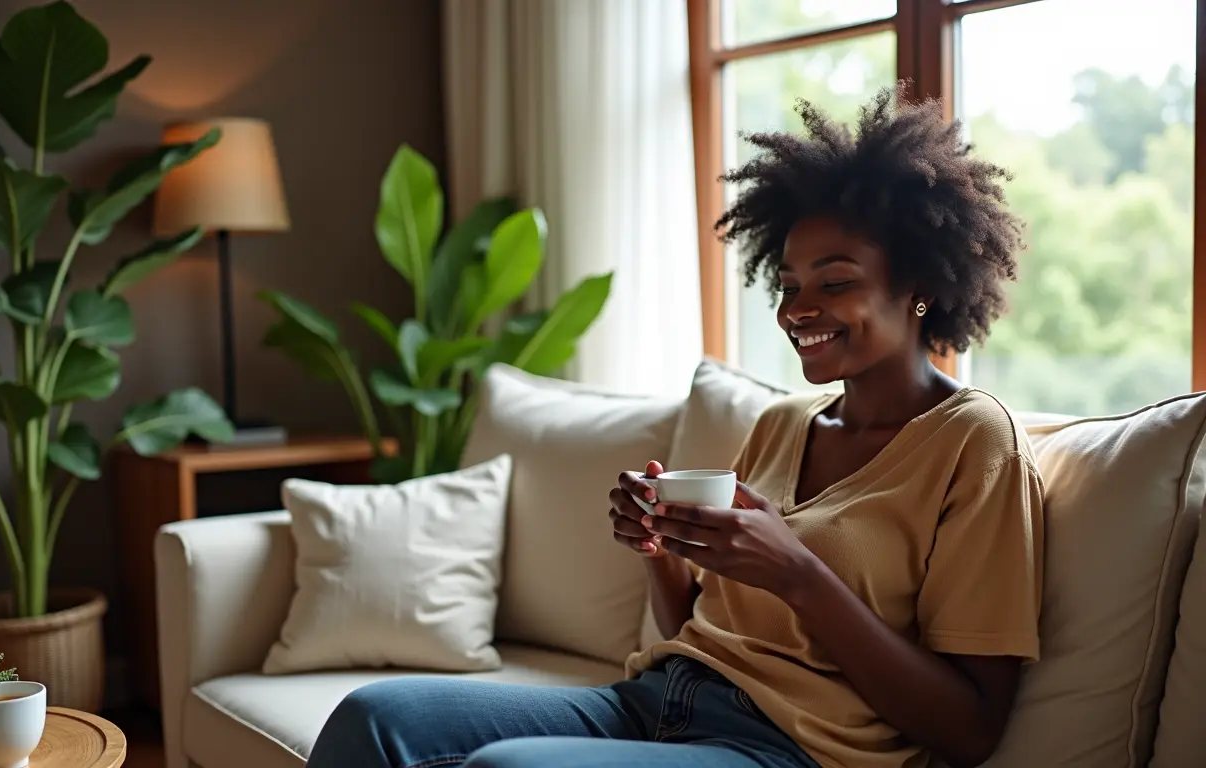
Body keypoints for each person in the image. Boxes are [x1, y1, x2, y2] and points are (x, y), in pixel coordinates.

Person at [304, 83, 1044, 768]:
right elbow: (697, 624)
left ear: (919, 286)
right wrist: (660, 548)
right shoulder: (783, 425)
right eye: (788, 286)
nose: (796, 310)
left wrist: (798, 572)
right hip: (656, 704)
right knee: (375, 718)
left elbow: (971, 729)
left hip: (791, 750)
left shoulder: (972, 442)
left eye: (836, 281)